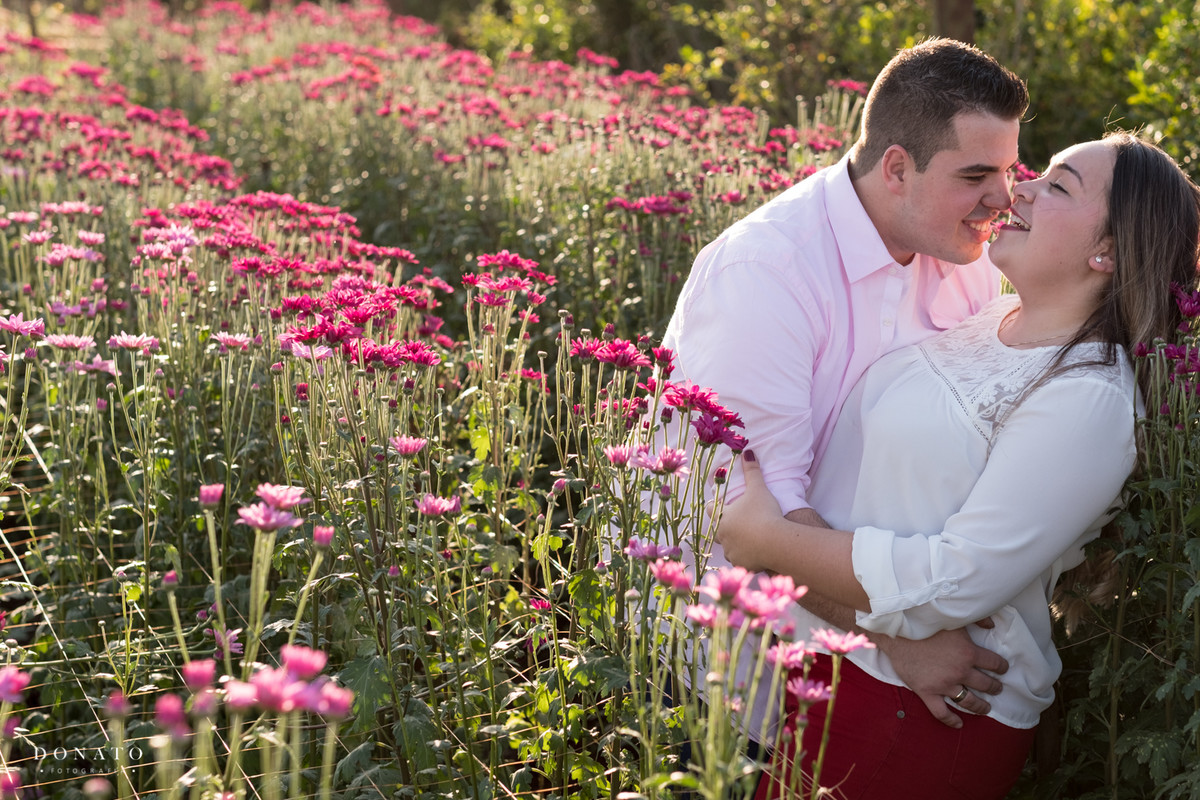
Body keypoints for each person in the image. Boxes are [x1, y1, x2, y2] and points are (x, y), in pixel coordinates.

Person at [716, 132, 1200, 799]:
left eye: (1057, 186)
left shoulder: (1088, 397)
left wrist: (767, 540)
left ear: (1108, 252)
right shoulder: (994, 314)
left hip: (927, 714)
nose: (1020, 188)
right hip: (852, 665)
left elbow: (951, 584)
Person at [658, 37, 1028, 737]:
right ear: (896, 168)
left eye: (1009, 172)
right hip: (719, 663)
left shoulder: (969, 263)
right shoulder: (767, 273)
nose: (1002, 200)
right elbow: (750, 520)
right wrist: (897, 634)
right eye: (977, 174)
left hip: (868, 643)